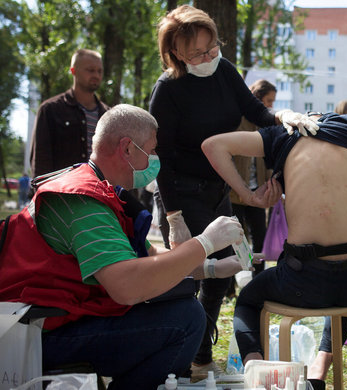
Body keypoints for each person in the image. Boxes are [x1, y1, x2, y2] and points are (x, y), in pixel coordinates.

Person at [0, 104, 249, 390]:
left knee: (182, 309)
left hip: (53, 323)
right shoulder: (84, 201)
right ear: (127, 148)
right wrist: (204, 243)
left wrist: (213, 268)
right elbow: (126, 286)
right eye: (152, 150)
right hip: (36, 336)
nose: (156, 160)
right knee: (185, 318)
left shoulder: (96, 189)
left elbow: (151, 258)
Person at [149, 5, 318, 379]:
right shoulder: (168, 90)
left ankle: (200, 347)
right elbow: (159, 157)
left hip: (217, 188)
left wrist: (283, 116)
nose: (208, 58)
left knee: (225, 271)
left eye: (213, 49)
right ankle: (190, 354)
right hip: (180, 191)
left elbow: (254, 110)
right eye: (198, 54)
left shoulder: (224, 71)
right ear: (176, 53)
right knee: (191, 273)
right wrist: (174, 218)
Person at [202, 109, 347, 389]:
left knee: (247, 298)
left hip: (301, 281)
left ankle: (257, 373)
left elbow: (212, 145)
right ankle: (318, 374)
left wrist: (248, 197)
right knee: (343, 293)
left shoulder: (285, 133)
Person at [29, 49, 108, 178]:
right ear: (73, 71)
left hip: (99, 194)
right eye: (90, 70)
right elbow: (41, 160)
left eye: (99, 71)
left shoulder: (107, 115)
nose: (96, 75)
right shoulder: (51, 109)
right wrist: (43, 195)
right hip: (62, 194)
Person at [231, 79, 277, 278]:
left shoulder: (265, 126)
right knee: (235, 240)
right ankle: (230, 285)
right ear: (257, 99)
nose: (271, 106)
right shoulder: (237, 121)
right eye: (268, 100)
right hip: (234, 194)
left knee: (260, 237)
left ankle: (258, 278)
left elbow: (269, 161)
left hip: (258, 193)